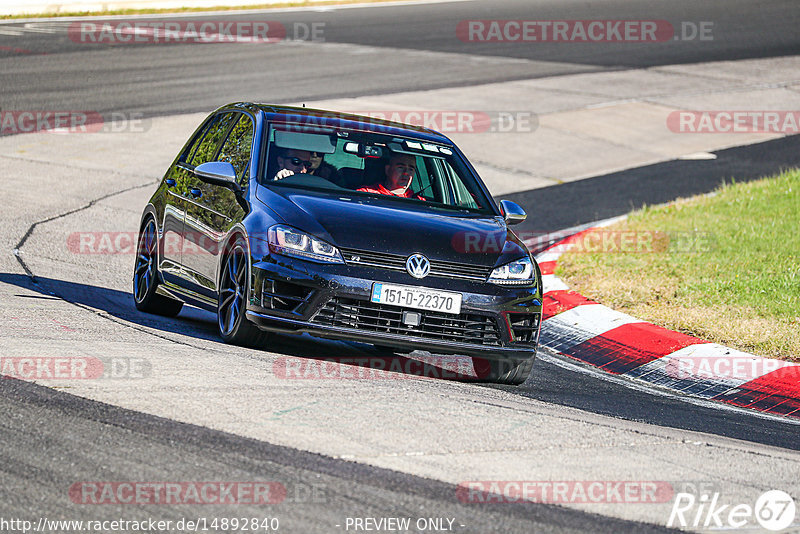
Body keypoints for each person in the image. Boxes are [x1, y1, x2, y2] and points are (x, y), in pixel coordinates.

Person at [357, 154, 425, 200]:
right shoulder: (366, 194)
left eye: (411, 169)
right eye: (400, 167)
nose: (406, 173)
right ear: (387, 169)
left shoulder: (419, 201)